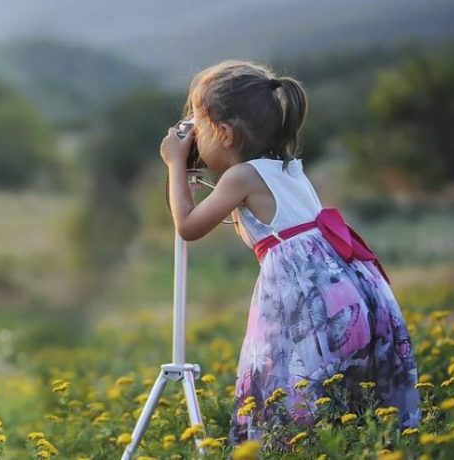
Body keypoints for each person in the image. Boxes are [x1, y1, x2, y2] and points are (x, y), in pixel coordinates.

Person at [159, 60, 419, 444]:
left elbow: (188, 226)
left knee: (287, 390)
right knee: (347, 401)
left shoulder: (240, 177)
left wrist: (174, 164)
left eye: (198, 124)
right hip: (355, 294)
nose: (192, 135)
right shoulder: (288, 168)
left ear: (225, 134)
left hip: (307, 305)